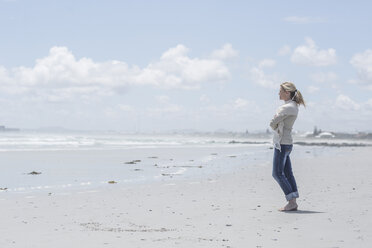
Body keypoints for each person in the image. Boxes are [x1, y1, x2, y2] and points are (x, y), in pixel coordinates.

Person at [270, 82, 305, 211]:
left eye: (280, 91)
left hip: (282, 144)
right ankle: (293, 200)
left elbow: (272, 123)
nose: (278, 93)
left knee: (277, 173)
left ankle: (291, 201)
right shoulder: (293, 106)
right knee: (287, 173)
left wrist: (274, 122)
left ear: (287, 92)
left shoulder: (287, 108)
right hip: (287, 143)